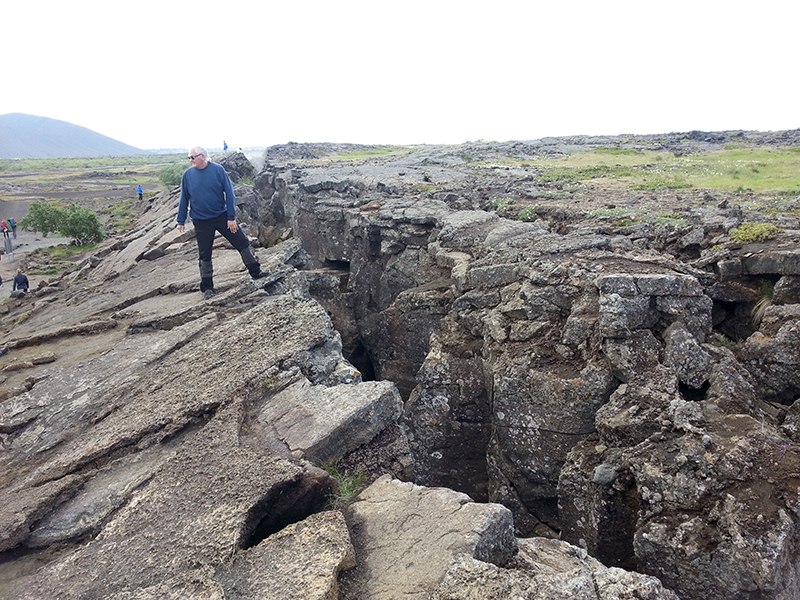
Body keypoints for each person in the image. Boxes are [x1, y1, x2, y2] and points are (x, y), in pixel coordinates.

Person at [176, 145, 267, 300]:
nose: (190, 160)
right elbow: (184, 198)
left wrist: (231, 218)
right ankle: (207, 288)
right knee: (205, 254)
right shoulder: (188, 175)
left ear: (202, 156)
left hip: (222, 217)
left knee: (242, 242)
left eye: (192, 157)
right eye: (189, 157)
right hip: (201, 221)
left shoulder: (218, 170)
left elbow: (230, 194)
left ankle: (256, 272)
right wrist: (181, 220)